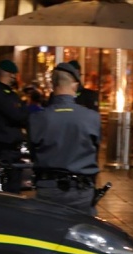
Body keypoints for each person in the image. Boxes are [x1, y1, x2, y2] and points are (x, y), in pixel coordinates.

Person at [28, 63, 101, 215]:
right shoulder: (92, 118)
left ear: (53, 85)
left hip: (48, 188)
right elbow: (95, 150)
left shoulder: (38, 118)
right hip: (81, 190)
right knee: (81, 235)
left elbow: (33, 152)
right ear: (75, 85)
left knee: (47, 234)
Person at [0, 60, 29, 193]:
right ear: (7, 74)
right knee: (6, 191)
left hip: (11, 149)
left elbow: (22, 113)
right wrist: (22, 113)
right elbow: (17, 115)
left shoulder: (9, 93)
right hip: (2, 149)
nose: (14, 78)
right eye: (13, 74)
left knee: (14, 187)